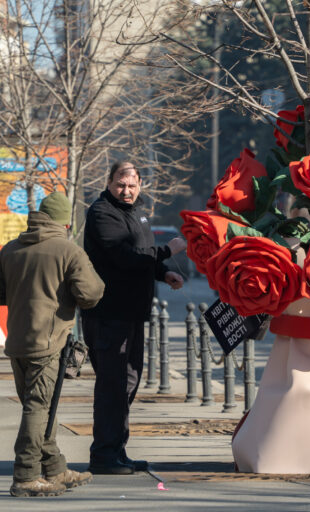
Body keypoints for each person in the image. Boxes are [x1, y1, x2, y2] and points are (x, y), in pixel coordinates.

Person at [0, 192, 105, 497]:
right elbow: (90, 294)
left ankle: (56, 469)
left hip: (17, 342)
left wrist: (21, 296)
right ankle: (25, 475)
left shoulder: (11, 249)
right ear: (66, 222)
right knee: (38, 408)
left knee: (39, 406)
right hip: (48, 343)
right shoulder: (69, 251)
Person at [82, 161, 186, 475]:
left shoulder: (138, 213)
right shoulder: (102, 213)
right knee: (112, 385)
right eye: (120, 185)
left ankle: (117, 450)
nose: (126, 191)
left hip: (132, 314)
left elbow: (142, 254)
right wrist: (167, 251)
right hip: (109, 314)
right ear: (109, 183)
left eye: (132, 185)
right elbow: (124, 257)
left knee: (128, 383)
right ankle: (103, 455)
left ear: (140, 185)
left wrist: (163, 272)